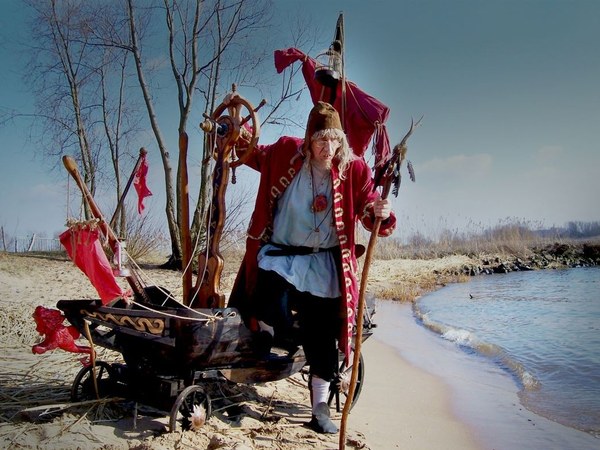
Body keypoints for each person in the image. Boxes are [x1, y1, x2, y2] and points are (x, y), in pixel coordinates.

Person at [229, 101, 396, 434]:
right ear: (308, 139)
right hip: (281, 256)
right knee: (269, 303)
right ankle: (274, 334)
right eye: (321, 140)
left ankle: (319, 408)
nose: (328, 148)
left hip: (324, 264)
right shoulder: (285, 152)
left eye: (335, 140)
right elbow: (255, 151)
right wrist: (233, 131)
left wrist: (380, 210)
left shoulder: (354, 169)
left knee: (321, 337)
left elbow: (367, 205)